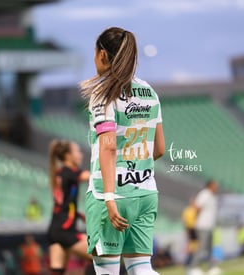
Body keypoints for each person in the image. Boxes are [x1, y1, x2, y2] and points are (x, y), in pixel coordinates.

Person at [81, 27, 166, 275]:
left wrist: (110, 197)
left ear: (103, 55)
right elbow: (159, 148)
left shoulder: (103, 92)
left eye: (95, 53)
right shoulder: (149, 92)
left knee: (107, 271)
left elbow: (107, 146)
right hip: (145, 192)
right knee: (141, 269)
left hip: (110, 196)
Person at [47, 140, 92, 275]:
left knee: (58, 271)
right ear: (68, 155)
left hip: (56, 229)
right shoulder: (69, 172)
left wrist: (77, 215)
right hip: (66, 232)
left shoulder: (61, 173)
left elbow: (64, 204)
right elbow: (93, 176)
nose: (81, 154)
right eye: (77, 151)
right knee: (103, 259)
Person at [190, 180, 220, 275]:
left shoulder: (212, 196)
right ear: (210, 186)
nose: (217, 187)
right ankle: (193, 268)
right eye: (215, 185)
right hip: (203, 225)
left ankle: (211, 268)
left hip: (209, 225)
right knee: (201, 247)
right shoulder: (204, 194)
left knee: (210, 248)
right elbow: (196, 207)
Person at [182, 197, 198, 267]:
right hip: (190, 228)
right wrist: (187, 230)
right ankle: (188, 260)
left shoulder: (195, 210)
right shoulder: (187, 210)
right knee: (190, 245)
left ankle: (192, 259)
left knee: (195, 245)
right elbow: (185, 220)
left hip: (195, 228)